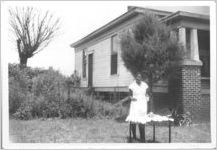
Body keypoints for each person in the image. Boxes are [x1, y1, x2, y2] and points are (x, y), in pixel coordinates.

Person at [125, 73, 150, 142]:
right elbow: (129, 95)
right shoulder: (132, 86)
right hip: (135, 104)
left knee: (142, 121)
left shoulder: (145, 85)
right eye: (137, 77)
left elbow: (147, 94)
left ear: (141, 78)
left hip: (142, 104)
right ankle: (134, 137)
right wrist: (131, 98)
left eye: (140, 77)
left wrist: (147, 97)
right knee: (133, 120)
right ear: (135, 77)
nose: (138, 78)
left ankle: (143, 138)